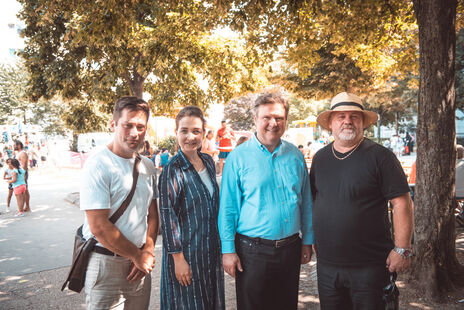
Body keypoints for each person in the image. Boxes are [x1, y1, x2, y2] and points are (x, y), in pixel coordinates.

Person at [310, 92, 414, 309]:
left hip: (370, 266)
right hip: (328, 266)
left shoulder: (381, 157)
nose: (347, 121)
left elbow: (402, 203)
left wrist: (402, 248)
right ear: (331, 123)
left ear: (362, 123)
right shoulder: (320, 159)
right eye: (341, 116)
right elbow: (315, 200)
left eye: (354, 116)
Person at [219, 92, 314, 310]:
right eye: (267, 117)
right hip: (252, 251)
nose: (273, 123)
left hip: (291, 249)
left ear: (286, 121)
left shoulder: (296, 156)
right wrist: (228, 251)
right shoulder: (238, 157)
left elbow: (306, 201)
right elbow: (228, 209)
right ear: (255, 119)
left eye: (279, 118)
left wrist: (307, 239)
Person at [80, 96, 159, 310]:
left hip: (140, 265)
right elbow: (99, 226)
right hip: (106, 264)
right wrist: (136, 255)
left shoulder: (148, 166)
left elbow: (153, 215)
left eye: (140, 127)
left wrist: (148, 252)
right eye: (128, 125)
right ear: (113, 124)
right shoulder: (98, 164)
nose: (134, 133)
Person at [159, 106, 225, 309]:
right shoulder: (173, 169)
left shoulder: (207, 160)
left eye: (196, 131)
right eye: (184, 131)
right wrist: (178, 259)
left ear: (203, 133)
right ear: (176, 133)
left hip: (209, 251)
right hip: (186, 256)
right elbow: (167, 216)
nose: (190, 137)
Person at [14, 140, 31, 212]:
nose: (14, 146)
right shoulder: (18, 153)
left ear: (19, 145)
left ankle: (27, 206)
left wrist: (23, 175)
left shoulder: (23, 153)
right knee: (23, 190)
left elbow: (24, 165)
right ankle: (23, 207)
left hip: (22, 173)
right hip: (18, 173)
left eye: (15, 145)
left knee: (25, 190)